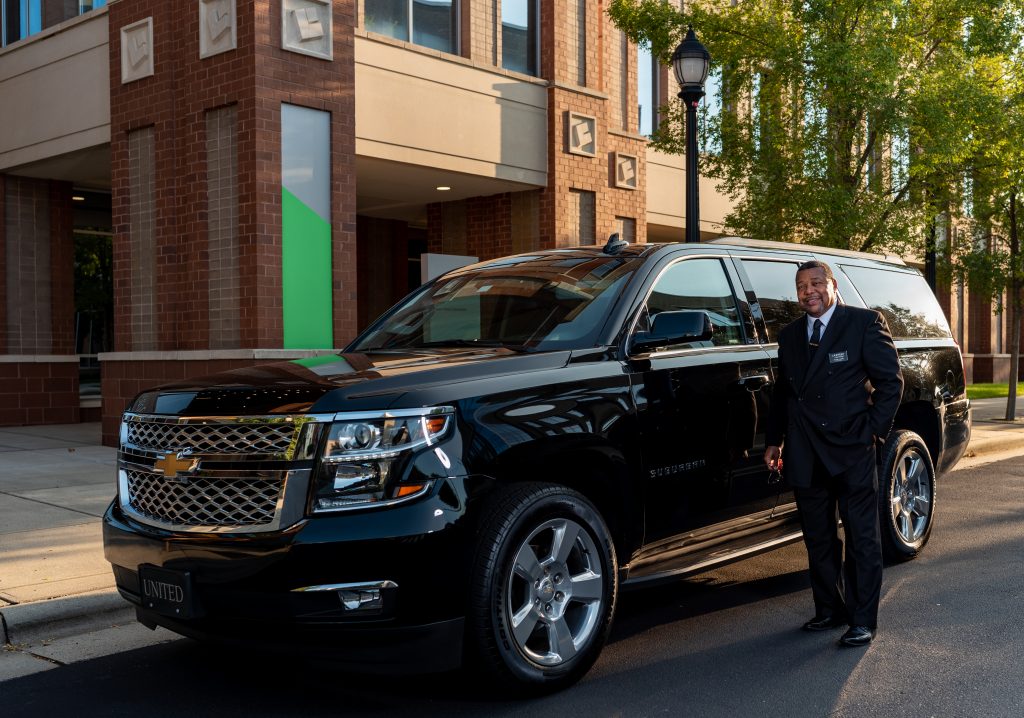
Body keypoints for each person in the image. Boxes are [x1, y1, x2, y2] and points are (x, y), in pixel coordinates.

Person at [764, 260, 903, 647]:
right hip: (805, 450)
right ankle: (829, 609)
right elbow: (784, 391)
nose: (808, 291)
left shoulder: (863, 323)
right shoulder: (790, 335)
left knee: (862, 537)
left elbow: (891, 383)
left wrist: (872, 432)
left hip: (851, 448)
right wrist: (774, 440)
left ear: (833, 284)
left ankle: (862, 620)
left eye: (815, 283)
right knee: (818, 537)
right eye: (801, 286)